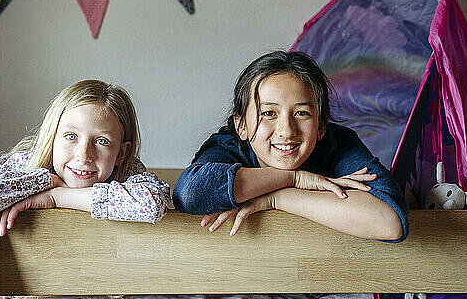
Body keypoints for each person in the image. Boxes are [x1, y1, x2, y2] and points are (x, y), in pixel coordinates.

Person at [0, 80, 170, 299]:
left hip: (83, 243)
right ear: (53, 137)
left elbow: (150, 204)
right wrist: (42, 181)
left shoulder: (127, 170)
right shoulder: (28, 163)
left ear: (122, 152)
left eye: (101, 141)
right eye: (71, 136)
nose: (83, 155)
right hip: (6, 236)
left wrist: (57, 196)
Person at [173, 51, 408, 241]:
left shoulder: (339, 144)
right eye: (268, 113)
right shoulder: (227, 147)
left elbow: (389, 222)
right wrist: (293, 178)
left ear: (321, 127)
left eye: (302, 113)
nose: (287, 130)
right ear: (241, 125)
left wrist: (278, 197)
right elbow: (189, 194)